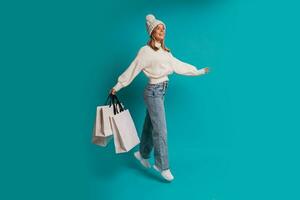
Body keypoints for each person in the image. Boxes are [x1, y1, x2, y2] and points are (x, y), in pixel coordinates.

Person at [109, 14, 210, 182]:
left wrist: (198, 71)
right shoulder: (145, 51)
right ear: (152, 32)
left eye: (163, 28)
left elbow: (179, 65)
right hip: (153, 92)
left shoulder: (165, 52)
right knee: (161, 129)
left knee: (150, 126)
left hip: (161, 92)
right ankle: (162, 166)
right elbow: (132, 69)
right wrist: (118, 85)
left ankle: (142, 153)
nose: (162, 30)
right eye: (158, 28)